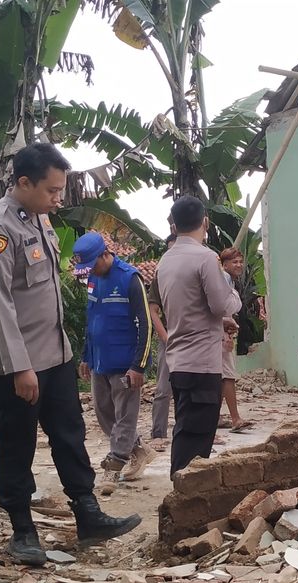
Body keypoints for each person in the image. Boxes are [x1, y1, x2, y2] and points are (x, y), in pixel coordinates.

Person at [0, 142, 140, 566]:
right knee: (16, 443)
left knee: (69, 434)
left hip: (54, 356)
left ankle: (88, 513)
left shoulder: (39, 219)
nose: (58, 198)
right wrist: (21, 368)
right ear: (24, 183)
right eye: (52, 190)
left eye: (61, 189)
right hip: (15, 364)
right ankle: (23, 530)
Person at [156, 196, 241, 475]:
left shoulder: (166, 260)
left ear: (173, 225)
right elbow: (220, 304)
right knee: (195, 441)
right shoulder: (205, 258)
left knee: (185, 429)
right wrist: (234, 300)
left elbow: (191, 307)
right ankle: (182, 497)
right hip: (201, 363)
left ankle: (181, 491)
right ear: (205, 222)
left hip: (179, 360)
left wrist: (221, 321)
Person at [73, 232, 157, 493]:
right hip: (100, 360)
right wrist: (86, 356)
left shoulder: (130, 279)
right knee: (104, 413)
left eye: (92, 265)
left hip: (125, 363)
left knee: (125, 416)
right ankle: (138, 449)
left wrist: (139, 365)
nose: (90, 271)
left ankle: (114, 465)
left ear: (104, 254)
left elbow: (146, 324)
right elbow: (92, 321)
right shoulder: (93, 280)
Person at [218, 247, 252, 433]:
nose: (239, 265)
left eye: (240, 261)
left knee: (223, 377)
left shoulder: (229, 281)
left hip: (224, 332)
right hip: (220, 334)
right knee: (228, 376)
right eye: (234, 262)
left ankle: (215, 416)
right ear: (224, 264)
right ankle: (235, 418)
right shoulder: (223, 280)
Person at [147, 232, 177, 443]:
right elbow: (152, 310)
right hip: (170, 339)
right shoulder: (160, 276)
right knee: (163, 388)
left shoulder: (200, 269)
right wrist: (166, 337)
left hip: (194, 339)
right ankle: (158, 433)